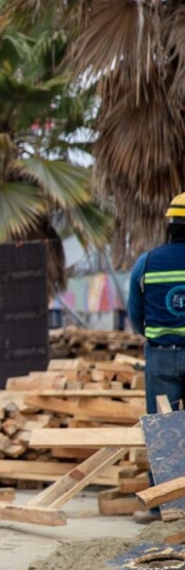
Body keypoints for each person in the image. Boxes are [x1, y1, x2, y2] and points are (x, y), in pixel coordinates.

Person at [128, 191, 185, 524]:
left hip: (161, 356)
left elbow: (135, 315)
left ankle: (160, 506)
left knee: (163, 429)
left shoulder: (146, 262)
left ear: (170, 225)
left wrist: (153, 335)